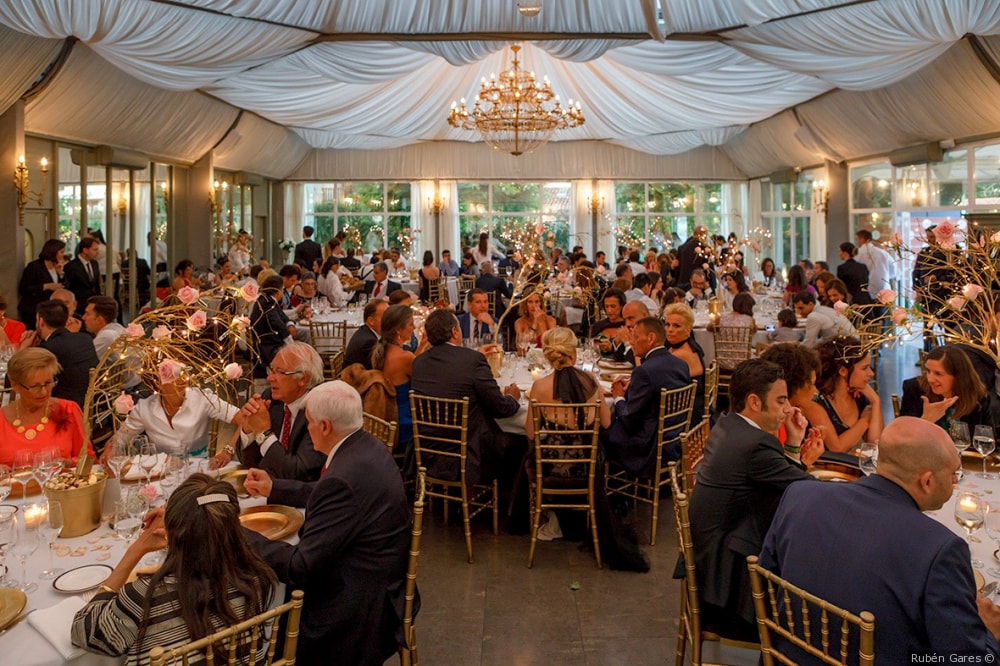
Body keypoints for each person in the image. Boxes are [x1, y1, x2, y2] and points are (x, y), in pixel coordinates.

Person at [759, 417, 1000, 661]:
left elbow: (766, 586)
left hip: (786, 655)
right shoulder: (939, 549)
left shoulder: (799, 494)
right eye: (953, 474)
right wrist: (989, 631)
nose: (955, 481)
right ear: (926, 481)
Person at [241, 381, 410, 666]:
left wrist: (236, 534)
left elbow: (300, 567)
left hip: (355, 612)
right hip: (381, 583)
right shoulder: (364, 446)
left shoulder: (342, 478)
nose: (306, 429)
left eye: (308, 423)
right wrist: (275, 487)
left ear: (325, 427)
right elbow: (328, 494)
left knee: (256, 621)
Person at [72, 474, 276, 666]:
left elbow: (84, 632)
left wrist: (136, 550)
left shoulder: (143, 597)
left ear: (173, 534)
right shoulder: (255, 578)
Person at [687, 358, 821, 640]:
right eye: (781, 400)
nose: (788, 409)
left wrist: (794, 444)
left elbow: (784, 484)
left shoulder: (728, 425)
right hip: (727, 591)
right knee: (816, 613)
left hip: (707, 569)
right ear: (754, 402)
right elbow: (809, 490)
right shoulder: (755, 444)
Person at [411, 309, 521, 486]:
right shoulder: (472, 360)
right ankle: (508, 504)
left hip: (427, 450)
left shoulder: (419, 362)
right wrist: (512, 397)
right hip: (468, 451)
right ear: (455, 332)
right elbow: (500, 408)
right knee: (520, 441)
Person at [604, 317, 692, 478]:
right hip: (674, 441)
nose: (631, 341)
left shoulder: (644, 371)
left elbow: (630, 419)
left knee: (601, 431)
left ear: (651, 338)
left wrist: (618, 398)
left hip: (648, 448)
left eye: (636, 336)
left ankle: (611, 491)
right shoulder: (680, 364)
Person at [526, 327, 612, 475]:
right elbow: (606, 422)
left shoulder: (539, 386)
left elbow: (531, 433)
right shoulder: (590, 379)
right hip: (589, 463)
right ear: (574, 353)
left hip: (553, 465)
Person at [236, 342, 327, 481]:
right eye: (271, 370)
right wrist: (249, 430)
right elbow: (247, 462)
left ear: (303, 378)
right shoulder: (271, 398)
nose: (270, 378)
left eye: (280, 372)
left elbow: (298, 473)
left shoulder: (319, 411)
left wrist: (264, 433)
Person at [115, 358, 242, 457]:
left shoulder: (202, 398)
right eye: (173, 375)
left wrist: (228, 451)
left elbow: (245, 420)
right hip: (160, 475)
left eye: (183, 374)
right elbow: (117, 442)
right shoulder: (144, 408)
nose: (182, 380)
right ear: (158, 383)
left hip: (196, 472)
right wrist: (111, 456)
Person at [0, 347, 92, 466]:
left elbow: (89, 457)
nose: (44, 392)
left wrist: (69, 463)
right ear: (14, 385)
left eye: (48, 383)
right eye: (35, 386)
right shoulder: (2, 420)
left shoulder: (68, 410)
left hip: (60, 483)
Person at [802, 336, 882, 453]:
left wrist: (876, 401)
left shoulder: (858, 396)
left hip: (849, 465)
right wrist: (865, 421)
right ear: (843, 371)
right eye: (864, 368)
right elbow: (836, 447)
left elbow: (875, 443)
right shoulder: (815, 400)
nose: (871, 373)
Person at [18, 300, 98, 408]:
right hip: (93, 404)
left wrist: (23, 348)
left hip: (63, 408)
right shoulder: (85, 339)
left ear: (41, 321)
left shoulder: (48, 348)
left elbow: (14, 380)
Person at [901, 344, 994, 431]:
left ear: (958, 376)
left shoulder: (977, 395)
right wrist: (927, 419)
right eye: (928, 371)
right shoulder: (914, 389)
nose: (930, 379)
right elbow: (903, 439)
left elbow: (988, 438)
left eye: (938, 374)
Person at [371, 305, 427, 449]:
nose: (414, 327)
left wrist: (422, 346)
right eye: (410, 324)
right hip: (404, 422)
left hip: (385, 418)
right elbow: (423, 381)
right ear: (398, 330)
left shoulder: (381, 351)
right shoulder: (404, 357)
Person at [249, 275, 296, 381]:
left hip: (266, 342)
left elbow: (282, 316)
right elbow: (277, 324)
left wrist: (289, 324)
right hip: (266, 346)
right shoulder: (266, 303)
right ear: (278, 291)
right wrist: (291, 343)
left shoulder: (266, 300)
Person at [17, 238, 66, 329]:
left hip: (50, 309)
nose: (63, 255)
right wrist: (46, 286)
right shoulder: (34, 266)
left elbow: (64, 286)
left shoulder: (57, 265)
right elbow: (24, 288)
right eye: (61, 252)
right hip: (33, 309)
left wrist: (61, 274)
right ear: (53, 251)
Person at [344, 298, 389, 370]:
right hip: (357, 379)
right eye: (386, 317)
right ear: (371, 321)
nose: (390, 320)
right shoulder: (369, 342)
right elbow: (380, 369)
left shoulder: (364, 331)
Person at [63, 236, 101, 316]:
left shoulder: (94, 264)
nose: (97, 252)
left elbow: (96, 285)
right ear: (85, 250)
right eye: (94, 250)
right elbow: (69, 287)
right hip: (79, 305)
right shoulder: (71, 266)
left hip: (93, 304)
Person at [590, 288, 627, 356]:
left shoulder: (627, 327)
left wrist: (612, 348)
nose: (609, 310)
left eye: (613, 306)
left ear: (622, 306)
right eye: (606, 306)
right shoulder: (598, 326)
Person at [836, 241, 873, 307]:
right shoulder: (863, 266)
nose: (838, 254)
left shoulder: (842, 268)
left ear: (845, 253)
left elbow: (841, 286)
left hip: (852, 300)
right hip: (866, 299)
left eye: (839, 251)